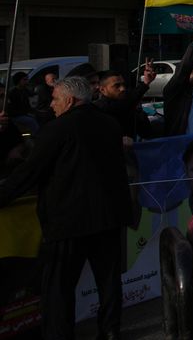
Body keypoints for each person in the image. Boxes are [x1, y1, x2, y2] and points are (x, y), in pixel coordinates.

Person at [0, 76, 132, 340]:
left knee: (58, 289)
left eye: (55, 99)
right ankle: (110, 332)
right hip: (108, 218)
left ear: (70, 100)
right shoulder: (110, 125)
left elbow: (29, 172)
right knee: (108, 283)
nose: (51, 105)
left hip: (68, 223)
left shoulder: (58, 129)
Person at [95, 65, 159, 142]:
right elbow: (125, 104)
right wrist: (145, 84)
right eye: (116, 86)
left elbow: (146, 132)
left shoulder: (127, 103)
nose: (122, 89)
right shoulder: (101, 108)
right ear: (102, 90)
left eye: (123, 85)